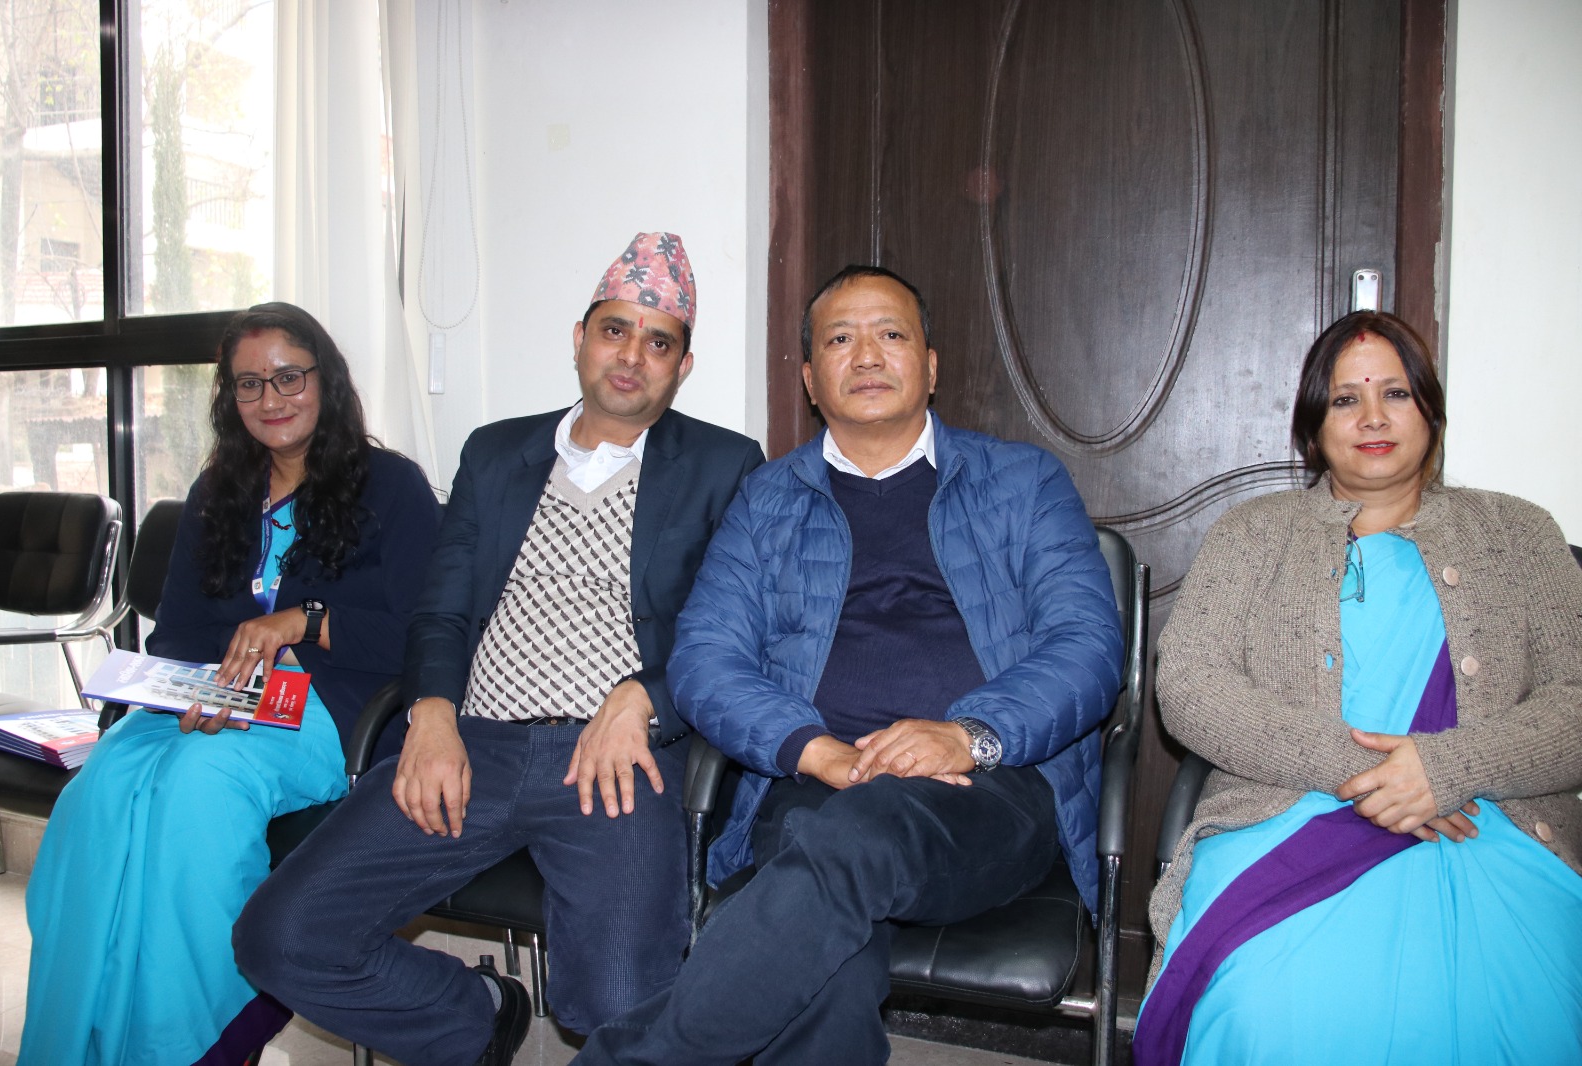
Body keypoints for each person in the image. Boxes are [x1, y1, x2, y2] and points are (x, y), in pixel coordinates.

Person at [234, 232, 766, 1065]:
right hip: (471, 739)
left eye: (659, 342)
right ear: (580, 339)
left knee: (618, 1005)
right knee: (282, 936)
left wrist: (647, 699)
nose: (632, 356)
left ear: (683, 367)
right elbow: (440, 611)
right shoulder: (495, 452)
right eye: (614, 330)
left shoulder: (724, 465)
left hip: (613, 754)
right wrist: (431, 716)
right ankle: (474, 1013)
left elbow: (734, 632)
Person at [578, 264, 1124, 1066]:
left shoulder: (1022, 481)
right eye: (840, 339)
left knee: (838, 846)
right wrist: (815, 750)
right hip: (812, 782)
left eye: (890, 334)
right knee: (826, 956)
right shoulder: (766, 500)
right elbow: (705, 659)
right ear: (810, 378)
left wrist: (966, 735)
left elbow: (1088, 647)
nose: (866, 354)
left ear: (930, 366)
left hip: (986, 786)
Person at [1134, 311, 1582, 1065]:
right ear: (1314, 427)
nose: (1373, 417)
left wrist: (1446, 769)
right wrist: (1368, 769)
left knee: (1525, 1004)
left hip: (1488, 819)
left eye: (1396, 393)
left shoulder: (1520, 533)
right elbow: (1189, 685)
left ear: (1430, 410)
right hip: (1286, 811)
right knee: (1267, 1006)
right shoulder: (1252, 534)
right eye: (1346, 399)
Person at [19, 302, 442, 1065]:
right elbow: (177, 631)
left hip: (331, 710)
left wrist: (307, 622)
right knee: (97, 794)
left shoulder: (392, 487)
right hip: (213, 697)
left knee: (197, 789)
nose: (270, 398)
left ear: (326, 380)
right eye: (249, 384)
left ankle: (199, 1039)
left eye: (288, 377)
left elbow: (430, 633)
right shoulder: (219, 491)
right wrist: (195, 689)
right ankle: (82, 1035)